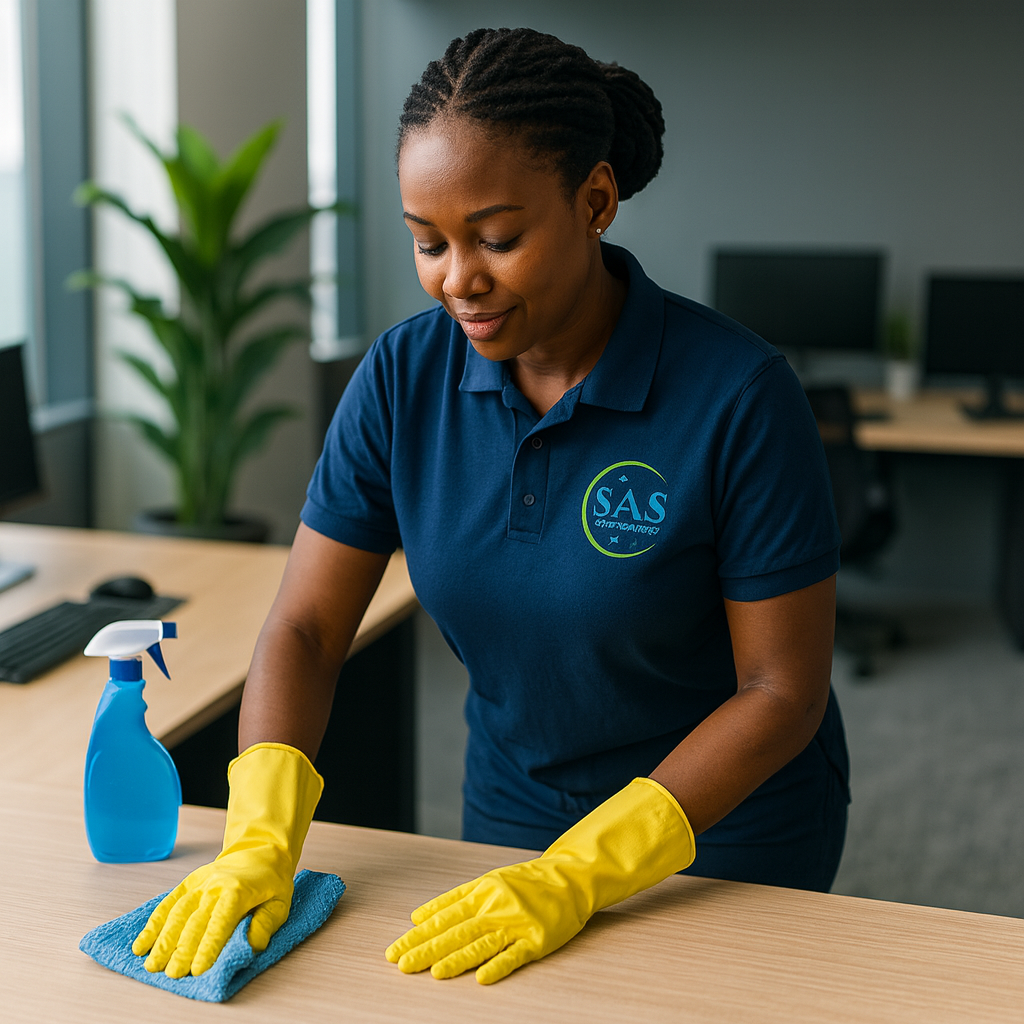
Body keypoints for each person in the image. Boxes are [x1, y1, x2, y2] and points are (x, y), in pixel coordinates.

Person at [131, 26, 850, 986]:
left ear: (595, 201)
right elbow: (304, 625)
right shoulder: (402, 377)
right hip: (515, 812)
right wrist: (257, 836)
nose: (457, 280)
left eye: (496, 239)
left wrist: (584, 873)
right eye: (427, 242)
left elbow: (781, 694)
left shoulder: (739, 394)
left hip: (721, 832)